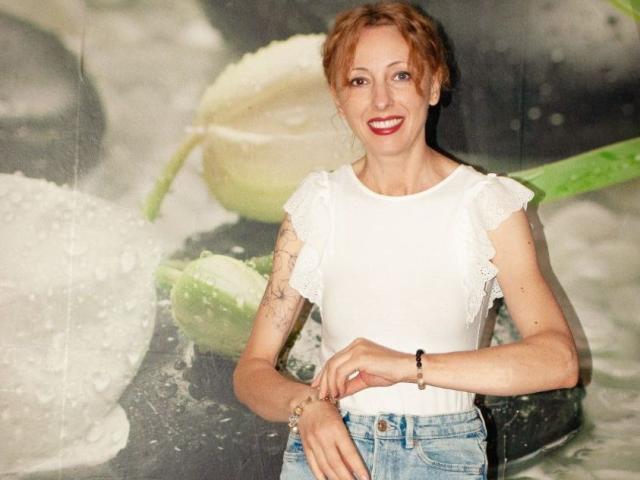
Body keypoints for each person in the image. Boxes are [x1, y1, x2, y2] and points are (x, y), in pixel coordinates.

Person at [233, 2, 579, 479]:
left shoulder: (487, 206)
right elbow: (251, 371)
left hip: (442, 456)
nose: (381, 101)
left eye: (400, 76)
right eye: (359, 81)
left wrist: (407, 366)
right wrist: (305, 405)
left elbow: (558, 361)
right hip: (330, 455)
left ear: (434, 84)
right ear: (338, 98)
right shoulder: (316, 205)